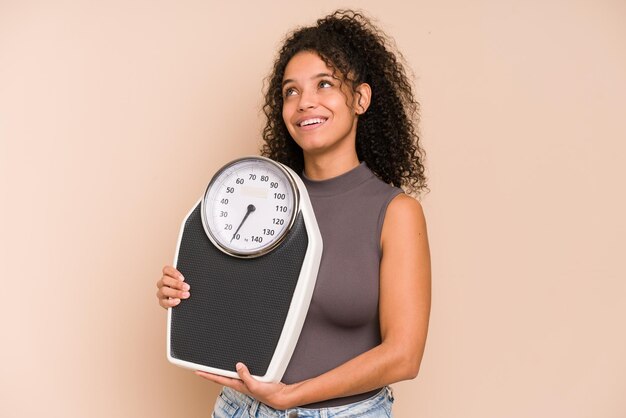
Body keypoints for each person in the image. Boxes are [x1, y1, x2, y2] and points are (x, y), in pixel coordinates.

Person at [156, 9, 431, 417]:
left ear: (361, 98)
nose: (305, 103)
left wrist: (293, 396)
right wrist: (184, 292)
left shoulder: (395, 212)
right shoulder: (255, 200)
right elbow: (238, 301)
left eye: (324, 84)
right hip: (240, 409)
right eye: (290, 91)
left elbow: (403, 356)